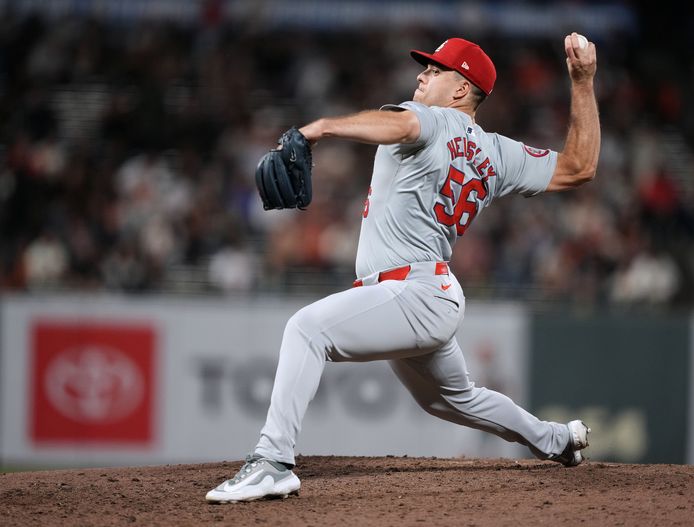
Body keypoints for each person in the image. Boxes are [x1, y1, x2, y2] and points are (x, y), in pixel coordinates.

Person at [206, 33, 600, 503]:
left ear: (460, 90)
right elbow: (579, 166)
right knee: (452, 398)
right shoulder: (498, 152)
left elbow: (404, 127)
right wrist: (583, 81)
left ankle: (272, 462)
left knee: (307, 330)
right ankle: (557, 439)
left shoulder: (432, 119)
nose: (422, 74)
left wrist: (320, 129)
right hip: (429, 293)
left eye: (435, 70)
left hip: (412, 292)